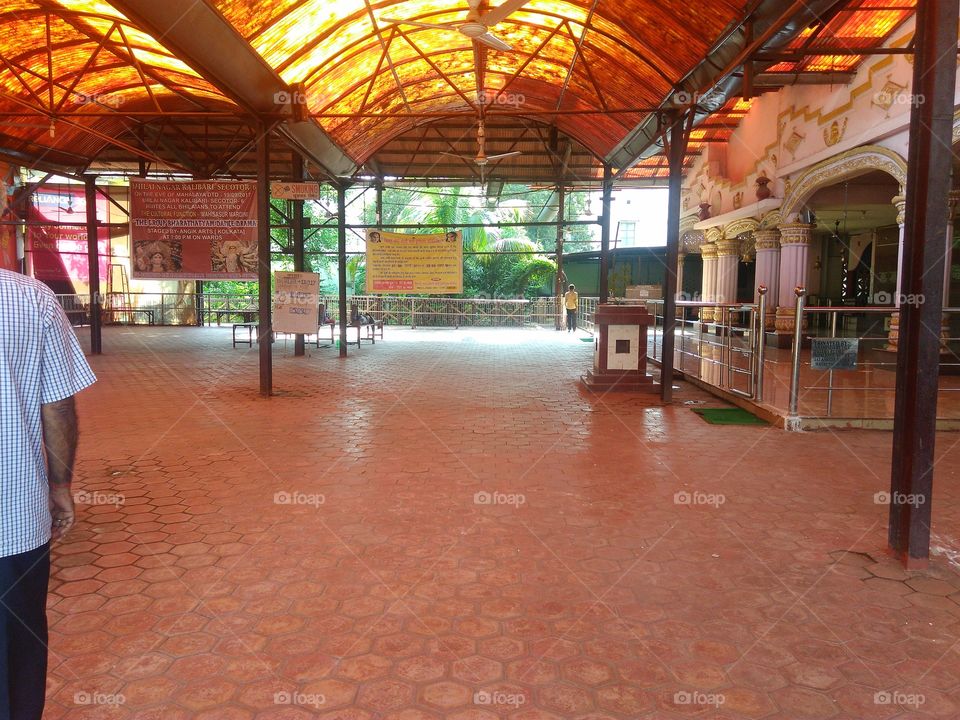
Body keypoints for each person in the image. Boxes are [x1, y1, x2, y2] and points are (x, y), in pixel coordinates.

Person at [0, 269, 96, 720]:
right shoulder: (29, 298)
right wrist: (59, 487)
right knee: (17, 653)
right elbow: (56, 404)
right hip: (15, 521)